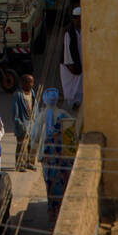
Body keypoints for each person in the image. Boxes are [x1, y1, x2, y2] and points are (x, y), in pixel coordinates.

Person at [34, 88, 78, 220]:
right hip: (62, 158)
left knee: (49, 183)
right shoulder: (65, 114)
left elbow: (35, 136)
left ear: (45, 100)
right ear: (57, 99)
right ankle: (61, 211)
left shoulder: (42, 115)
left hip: (47, 157)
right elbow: (72, 135)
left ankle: (52, 212)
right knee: (62, 183)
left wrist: (33, 151)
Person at [12, 73, 38, 171]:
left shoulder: (32, 93)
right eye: (29, 82)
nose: (32, 84)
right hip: (23, 124)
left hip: (32, 123)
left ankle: (30, 163)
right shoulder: (18, 95)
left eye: (32, 82)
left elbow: (35, 107)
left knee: (32, 145)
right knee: (21, 145)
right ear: (23, 83)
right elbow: (15, 112)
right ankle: (20, 165)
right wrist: (19, 123)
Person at [60, 7, 83, 109]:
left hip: (79, 61)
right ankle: (73, 103)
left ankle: (78, 102)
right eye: (77, 18)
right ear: (74, 19)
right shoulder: (69, 32)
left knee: (79, 84)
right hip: (70, 64)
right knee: (71, 86)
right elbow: (67, 50)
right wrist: (70, 65)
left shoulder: (81, 30)